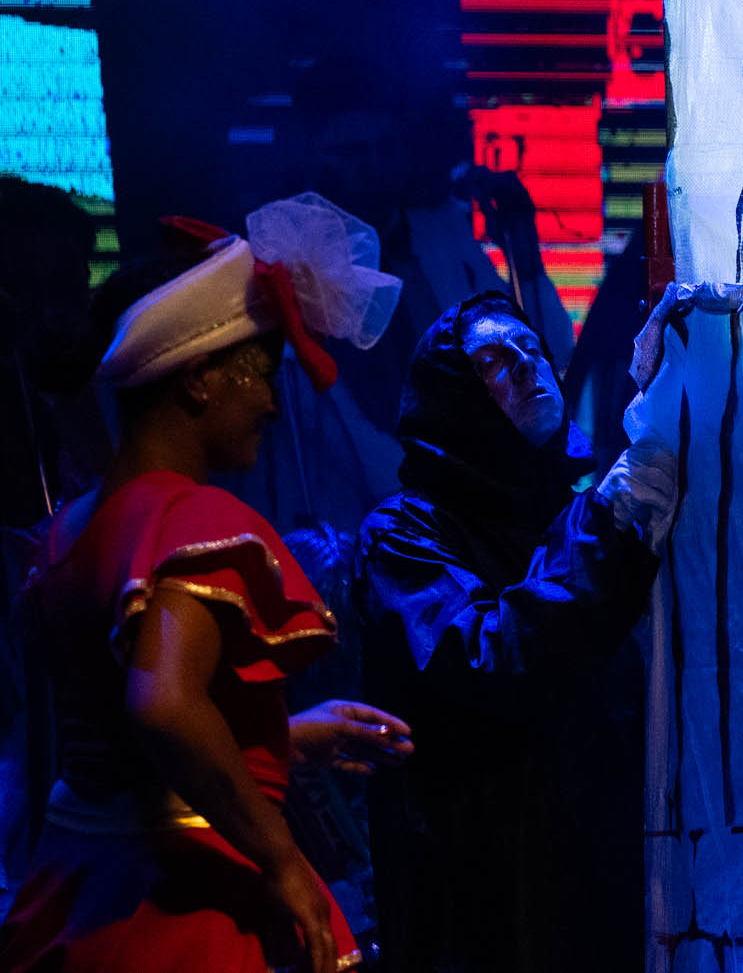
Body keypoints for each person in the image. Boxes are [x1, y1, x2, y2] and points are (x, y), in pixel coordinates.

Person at [0, 197, 412, 973]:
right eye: (261, 375)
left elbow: (119, 740)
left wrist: (281, 737)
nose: (271, 403)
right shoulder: (187, 519)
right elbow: (161, 705)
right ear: (199, 380)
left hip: (81, 888)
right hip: (176, 909)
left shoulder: (71, 528)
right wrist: (282, 856)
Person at [355, 292, 681, 973]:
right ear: (455, 395)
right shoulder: (404, 533)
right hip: (482, 895)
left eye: (532, 348)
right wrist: (607, 531)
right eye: (494, 361)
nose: (528, 365)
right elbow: (488, 655)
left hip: (598, 881)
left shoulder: (570, 513)